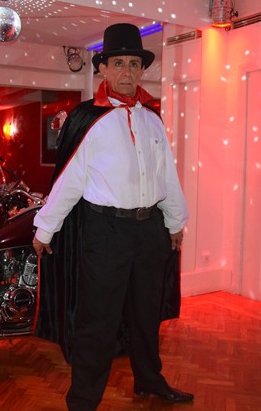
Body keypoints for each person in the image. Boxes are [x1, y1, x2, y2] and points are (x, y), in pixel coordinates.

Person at [32, 23, 192, 410]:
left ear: (141, 70)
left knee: (146, 314)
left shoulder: (153, 119)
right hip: (105, 233)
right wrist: (45, 228)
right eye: (118, 63)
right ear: (103, 68)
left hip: (150, 231)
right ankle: (83, 400)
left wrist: (175, 222)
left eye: (134, 64)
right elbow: (69, 181)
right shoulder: (89, 119)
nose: (126, 72)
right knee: (98, 321)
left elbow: (166, 175)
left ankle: (149, 380)